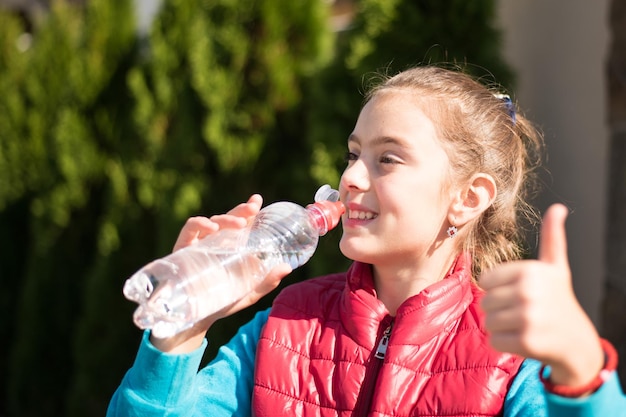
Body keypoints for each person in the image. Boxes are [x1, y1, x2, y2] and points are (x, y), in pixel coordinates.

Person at [107, 65, 625, 416]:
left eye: (388, 158)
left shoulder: (510, 356)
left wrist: (581, 372)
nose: (352, 177)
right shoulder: (285, 324)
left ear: (468, 199)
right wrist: (181, 330)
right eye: (354, 154)